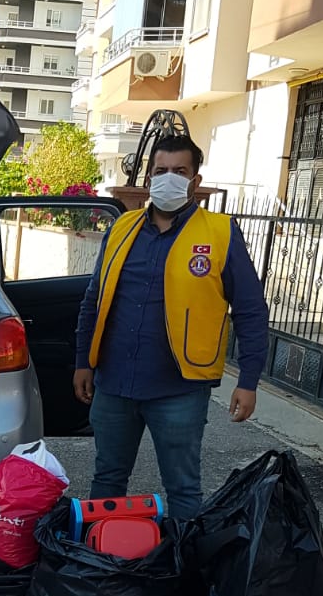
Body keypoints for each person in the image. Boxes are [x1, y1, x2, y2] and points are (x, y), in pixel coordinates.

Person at [73, 134, 269, 520]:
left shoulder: (220, 233)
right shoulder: (122, 228)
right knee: (107, 481)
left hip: (178, 388)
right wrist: (83, 361)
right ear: (149, 178)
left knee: (182, 488)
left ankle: (183, 572)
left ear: (195, 181)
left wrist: (249, 380)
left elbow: (250, 310)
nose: (169, 179)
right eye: (161, 171)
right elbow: (94, 299)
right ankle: (99, 567)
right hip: (114, 385)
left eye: (180, 171)